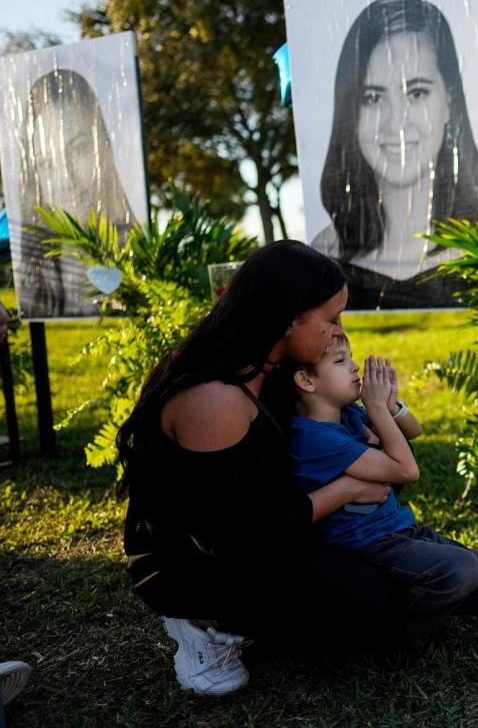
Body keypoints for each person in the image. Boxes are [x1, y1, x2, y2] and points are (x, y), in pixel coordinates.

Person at [119, 241, 405, 695]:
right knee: (367, 605)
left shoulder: (272, 367)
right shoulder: (213, 397)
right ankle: (201, 623)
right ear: (289, 317)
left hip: (267, 527)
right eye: (330, 319)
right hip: (198, 560)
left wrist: (373, 424)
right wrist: (348, 488)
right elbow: (247, 536)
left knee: (392, 582)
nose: (338, 334)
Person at [269, 336, 478, 637]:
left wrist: (390, 406)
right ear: (305, 380)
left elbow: (414, 431)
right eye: (341, 361)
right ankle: (395, 633)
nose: (355, 366)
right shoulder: (314, 438)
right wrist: (377, 410)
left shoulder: (349, 414)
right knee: (460, 569)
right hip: (371, 546)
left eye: (351, 357)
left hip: (405, 532)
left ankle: (432, 589)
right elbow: (407, 471)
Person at [312, 0, 478, 309]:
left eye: (416, 92)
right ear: (350, 113)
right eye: (373, 97)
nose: (396, 123)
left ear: (449, 101)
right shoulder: (324, 252)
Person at [15, 68, 135, 317]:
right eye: (47, 162)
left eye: (79, 148)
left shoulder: (140, 255)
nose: (67, 178)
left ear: (102, 150)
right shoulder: (31, 273)